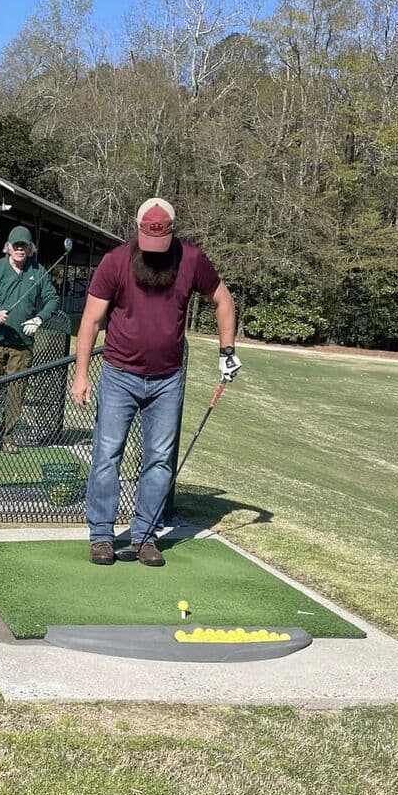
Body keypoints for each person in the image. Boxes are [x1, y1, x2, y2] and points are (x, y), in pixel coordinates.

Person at [72, 197, 240, 567]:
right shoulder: (115, 261)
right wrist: (81, 374)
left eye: (160, 243)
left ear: (173, 233)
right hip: (118, 374)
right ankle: (101, 537)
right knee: (106, 456)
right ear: (137, 230)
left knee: (160, 459)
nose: (154, 251)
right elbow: (91, 321)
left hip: (167, 380)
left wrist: (227, 351)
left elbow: (223, 300)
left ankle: (145, 536)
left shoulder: (191, 260)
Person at [0, 227, 59, 456]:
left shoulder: (38, 271)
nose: (20, 249)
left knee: (16, 393)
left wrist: (40, 317)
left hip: (22, 344)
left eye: (24, 246)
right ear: (8, 247)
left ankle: (7, 437)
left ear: (30, 248)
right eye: (16, 245)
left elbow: (52, 299)